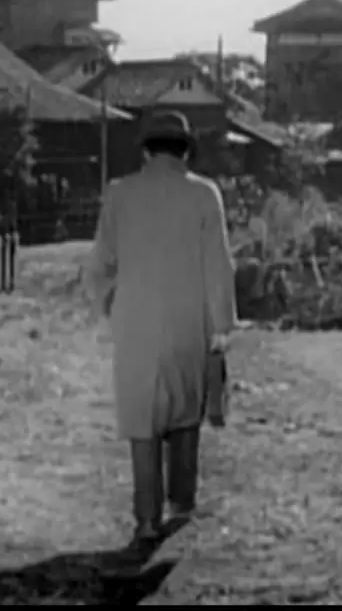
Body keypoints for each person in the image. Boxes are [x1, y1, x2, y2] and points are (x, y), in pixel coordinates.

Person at [87, 110, 237, 543]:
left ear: (147, 149)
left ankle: (145, 518)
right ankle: (181, 505)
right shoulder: (204, 194)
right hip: (188, 318)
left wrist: (109, 302)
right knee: (184, 414)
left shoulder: (120, 193)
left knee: (142, 420)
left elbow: (99, 264)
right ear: (185, 151)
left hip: (136, 320)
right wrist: (221, 326)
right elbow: (218, 265)